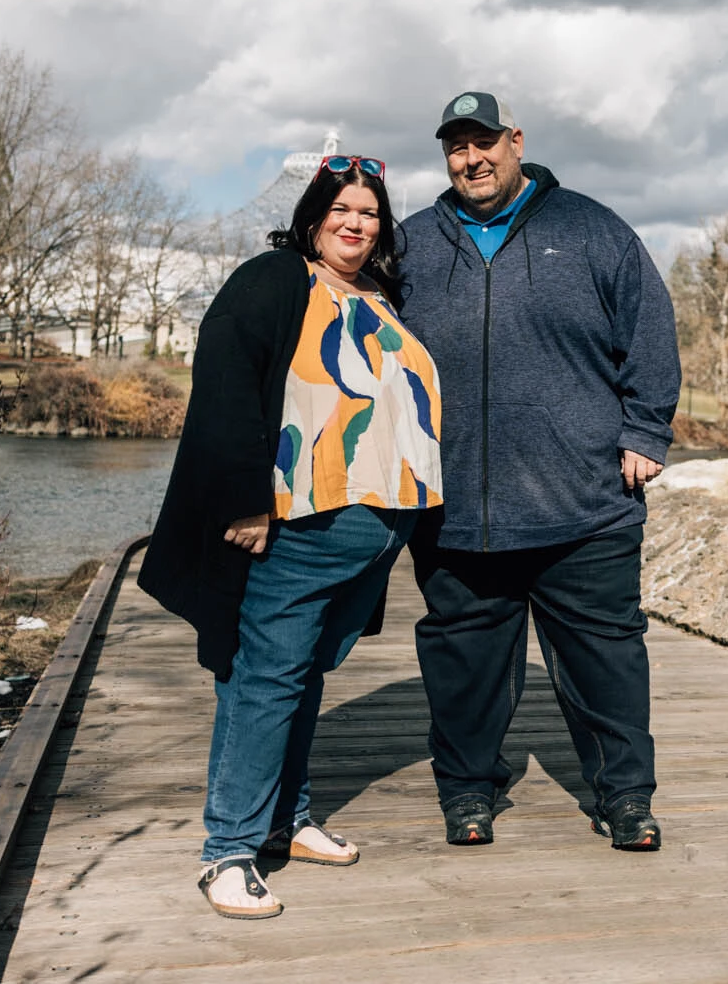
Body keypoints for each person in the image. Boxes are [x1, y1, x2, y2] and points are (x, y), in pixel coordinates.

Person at [139, 155, 444, 919]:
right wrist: (246, 501)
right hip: (300, 524)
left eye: (371, 212)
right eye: (342, 208)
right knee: (264, 680)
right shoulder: (278, 279)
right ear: (312, 216)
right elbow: (228, 383)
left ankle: (284, 819)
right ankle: (228, 851)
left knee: (304, 677)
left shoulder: (379, 294)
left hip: (375, 529)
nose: (356, 221)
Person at [397, 91, 680, 852]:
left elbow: (650, 327)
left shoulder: (590, 229)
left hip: (584, 502)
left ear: (515, 141)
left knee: (606, 663)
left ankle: (624, 797)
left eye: (483, 141)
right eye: (456, 147)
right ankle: (467, 794)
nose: (471, 159)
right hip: (456, 509)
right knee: (464, 667)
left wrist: (646, 431)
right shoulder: (414, 243)